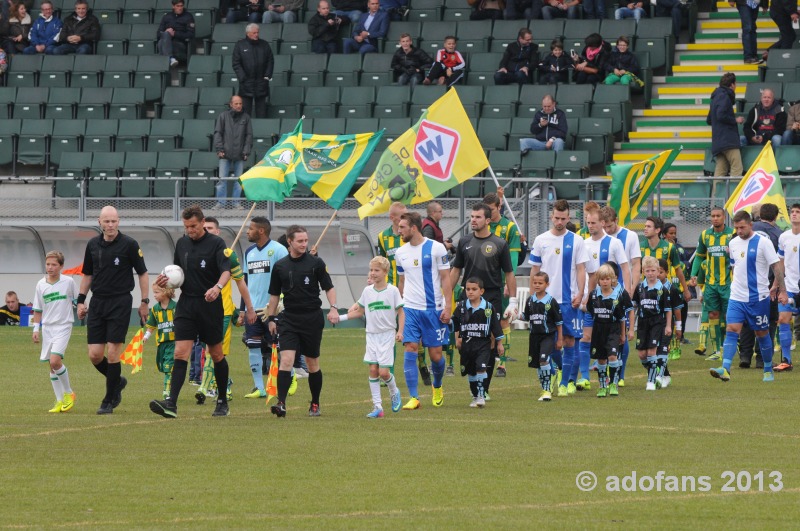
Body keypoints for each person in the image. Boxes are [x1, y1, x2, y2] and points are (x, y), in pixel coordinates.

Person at [149, 206, 237, 419]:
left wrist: (217, 288)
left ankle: (222, 401)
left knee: (216, 355)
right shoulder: (182, 243)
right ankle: (171, 404)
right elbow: (177, 274)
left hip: (209, 306)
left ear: (202, 222)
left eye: (194, 226)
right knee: (181, 353)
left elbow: (226, 271)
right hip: (187, 305)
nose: (190, 230)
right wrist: (165, 282)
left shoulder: (217, 243)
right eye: (186, 226)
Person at [77, 206, 149, 415]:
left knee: (113, 351)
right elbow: (87, 275)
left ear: (119, 222)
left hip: (120, 302)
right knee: (95, 355)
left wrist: (144, 301)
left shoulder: (129, 244)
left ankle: (109, 400)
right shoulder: (92, 244)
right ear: (99, 222)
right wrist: (81, 301)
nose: (110, 225)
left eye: (114, 221)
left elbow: (143, 274)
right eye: (106, 221)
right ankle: (117, 380)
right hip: (98, 302)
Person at [262, 225, 339, 418]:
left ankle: (315, 403)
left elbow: (329, 287)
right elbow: (273, 296)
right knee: (286, 360)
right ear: (290, 242)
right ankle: (281, 404)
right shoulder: (280, 266)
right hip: (289, 319)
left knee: (312, 363)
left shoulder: (316, 263)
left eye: (306, 240)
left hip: (312, 318)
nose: (304, 244)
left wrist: (333, 307)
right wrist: (271, 319)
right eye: (300, 241)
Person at [449, 204, 516, 395]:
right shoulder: (464, 242)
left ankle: (483, 388)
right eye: (472, 216)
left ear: (488, 220)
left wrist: (513, 300)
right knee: (463, 342)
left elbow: (509, 273)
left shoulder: (500, 244)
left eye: (478, 217)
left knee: (491, 341)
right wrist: (445, 296)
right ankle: (474, 378)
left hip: (491, 296)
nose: (473, 220)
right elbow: (456, 271)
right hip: (468, 296)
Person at [711, 210, 784, 383]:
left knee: (762, 333)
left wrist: (780, 289)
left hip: (758, 298)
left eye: (742, 227)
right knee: (732, 330)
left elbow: (776, 267)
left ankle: (767, 368)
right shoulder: (734, 243)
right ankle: (725, 368)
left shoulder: (763, 242)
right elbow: (734, 266)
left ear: (750, 225)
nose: (739, 231)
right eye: (736, 228)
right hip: (737, 297)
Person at [529, 199, 592, 397]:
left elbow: (581, 269)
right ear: (551, 216)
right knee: (552, 341)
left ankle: (566, 382)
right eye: (557, 218)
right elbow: (535, 269)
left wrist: (581, 293)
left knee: (570, 341)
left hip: (569, 299)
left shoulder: (577, 240)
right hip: (547, 301)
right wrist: (533, 296)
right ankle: (559, 370)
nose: (559, 222)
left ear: (569, 218)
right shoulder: (541, 240)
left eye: (563, 218)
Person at [395, 212, 452, 409]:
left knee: (436, 355)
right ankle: (414, 397)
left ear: (413, 228)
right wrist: (399, 307)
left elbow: (446, 278)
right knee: (410, 348)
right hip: (410, 308)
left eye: (402, 227)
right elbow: (401, 281)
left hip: (433, 309)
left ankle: (437, 385)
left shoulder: (436, 248)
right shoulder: (400, 252)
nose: (398, 231)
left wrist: (448, 306)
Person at [197, 217, 257, 402]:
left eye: (210, 228)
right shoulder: (196, 251)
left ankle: (204, 387)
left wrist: (246, 309)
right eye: (203, 227)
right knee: (215, 353)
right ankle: (226, 384)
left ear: (217, 232)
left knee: (211, 350)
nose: (206, 230)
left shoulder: (228, 255)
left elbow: (241, 284)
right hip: (200, 310)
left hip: (222, 311)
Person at [340, 256, 404, 418]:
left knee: (383, 372)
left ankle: (394, 391)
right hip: (371, 336)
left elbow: (401, 312)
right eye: (371, 270)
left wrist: (400, 331)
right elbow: (360, 311)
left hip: (387, 335)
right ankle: (378, 407)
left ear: (385, 272)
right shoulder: (367, 291)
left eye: (376, 270)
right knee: (373, 370)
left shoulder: (393, 290)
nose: (373, 273)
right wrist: (340, 318)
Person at [575, 203, 629, 390]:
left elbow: (624, 268)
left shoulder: (614, 243)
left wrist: (626, 291)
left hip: (611, 300)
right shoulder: (583, 243)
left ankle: (618, 377)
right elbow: (587, 273)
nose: (590, 226)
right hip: (594, 300)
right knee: (586, 337)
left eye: (594, 222)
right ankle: (585, 377)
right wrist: (585, 295)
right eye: (588, 222)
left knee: (617, 338)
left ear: (603, 222)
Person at [242, 216, 289, 398]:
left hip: (272, 309)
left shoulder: (279, 250)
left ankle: (284, 382)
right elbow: (245, 281)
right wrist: (243, 309)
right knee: (253, 346)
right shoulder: (249, 252)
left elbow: (286, 278)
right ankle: (259, 388)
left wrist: (281, 302)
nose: (248, 231)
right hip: (252, 309)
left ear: (261, 231)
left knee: (277, 346)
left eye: (251, 228)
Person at [32, 250, 78, 413]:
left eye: (54, 265)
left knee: (55, 361)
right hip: (48, 328)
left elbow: (76, 300)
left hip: (64, 325)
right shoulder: (40, 284)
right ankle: (59, 401)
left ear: (61, 266)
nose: (50, 268)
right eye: (48, 264)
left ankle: (69, 393)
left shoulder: (68, 282)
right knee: (51, 367)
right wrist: (36, 329)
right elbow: (37, 309)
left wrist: (81, 307)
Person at [484, 189, 522, 379]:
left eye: (491, 209)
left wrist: (509, 281)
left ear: (499, 207)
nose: (488, 213)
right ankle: (486, 359)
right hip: (484, 283)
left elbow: (513, 258)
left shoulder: (510, 228)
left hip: (500, 283)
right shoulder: (482, 226)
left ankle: (503, 364)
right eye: (486, 209)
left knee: (503, 321)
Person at [739, 202, 783, 368]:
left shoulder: (744, 229)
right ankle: (762, 358)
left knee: (746, 320)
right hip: (768, 284)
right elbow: (779, 263)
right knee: (768, 321)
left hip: (745, 283)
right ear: (775, 216)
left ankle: (745, 355)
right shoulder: (779, 234)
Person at [452, 277, 504, 408]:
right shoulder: (462, 307)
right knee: (471, 372)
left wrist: (499, 343)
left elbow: (495, 327)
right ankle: (475, 396)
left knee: (481, 368)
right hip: (467, 345)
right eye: (468, 289)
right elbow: (455, 324)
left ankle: (481, 395)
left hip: (483, 344)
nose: (470, 292)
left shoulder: (488, 307)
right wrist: (457, 338)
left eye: (474, 289)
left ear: (481, 291)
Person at [690, 207, 734, 360]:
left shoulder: (732, 234)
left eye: (718, 216)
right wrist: (693, 275)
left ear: (724, 217)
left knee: (730, 317)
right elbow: (699, 257)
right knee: (713, 315)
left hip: (728, 283)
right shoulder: (705, 235)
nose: (715, 218)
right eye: (713, 216)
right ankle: (717, 351)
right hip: (710, 284)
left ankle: (732, 347)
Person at [587, 264, 633, 397]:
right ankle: (602, 386)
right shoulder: (594, 295)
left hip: (613, 329)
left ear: (612, 279)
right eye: (602, 279)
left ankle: (613, 384)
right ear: (598, 280)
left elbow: (622, 317)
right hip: (598, 329)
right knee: (601, 360)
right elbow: (591, 312)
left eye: (607, 279)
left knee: (612, 356)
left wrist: (623, 334)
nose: (605, 282)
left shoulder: (618, 295)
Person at [630, 256, 671, 391]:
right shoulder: (640, 287)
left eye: (653, 270)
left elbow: (668, 309)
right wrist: (631, 327)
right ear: (643, 271)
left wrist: (669, 326)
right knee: (642, 354)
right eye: (647, 271)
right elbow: (634, 307)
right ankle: (656, 371)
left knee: (651, 351)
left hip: (657, 322)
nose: (650, 273)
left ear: (658, 271)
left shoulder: (663, 289)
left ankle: (651, 381)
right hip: (642, 323)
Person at [521, 272, 562, 401]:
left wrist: (560, 339)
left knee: (544, 360)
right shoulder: (530, 301)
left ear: (547, 284)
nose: (537, 285)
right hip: (534, 337)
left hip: (547, 336)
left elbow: (559, 322)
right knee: (538, 364)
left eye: (540, 283)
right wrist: (514, 315)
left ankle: (546, 390)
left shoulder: (551, 301)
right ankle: (547, 382)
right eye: (535, 283)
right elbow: (526, 317)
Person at [213, 95, 252, 210]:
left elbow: (249, 136)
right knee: (222, 180)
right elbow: (218, 133)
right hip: (224, 154)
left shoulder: (246, 118)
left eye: (240, 103)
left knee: (239, 180)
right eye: (236, 104)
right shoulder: (223, 116)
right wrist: (219, 149)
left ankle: (236, 203)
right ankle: (221, 203)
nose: (239, 106)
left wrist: (246, 151)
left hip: (240, 154)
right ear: (231, 104)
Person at [641, 216, 691, 302]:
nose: (645, 229)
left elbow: (678, 270)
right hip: (646, 292)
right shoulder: (640, 247)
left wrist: (686, 290)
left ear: (657, 230)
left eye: (649, 226)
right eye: (645, 226)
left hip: (665, 291)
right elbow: (637, 270)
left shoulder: (669, 247)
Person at [775, 203, 800, 372]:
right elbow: (780, 263)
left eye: (798, 212)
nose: (795, 214)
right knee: (783, 319)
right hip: (789, 286)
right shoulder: (784, 237)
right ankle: (786, 360)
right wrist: (777, 285)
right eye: (792, 212)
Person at [143, 281, 176, 400]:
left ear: (166, 292)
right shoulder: (155, 309)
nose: (154, 295)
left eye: (157, 292)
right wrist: (146, 336)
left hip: (173, 343)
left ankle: (167, 392)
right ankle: (174, 383)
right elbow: (151, 325)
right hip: (161, 344)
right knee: (163, 366)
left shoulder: (175, 307)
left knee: (169, 367)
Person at [233, 23, 274, 119]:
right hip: (246, 83)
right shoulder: (240, 45)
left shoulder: (264, 44)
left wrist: (267, 76)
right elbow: (236, 63)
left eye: (257, 32)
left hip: (261, 82)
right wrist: (242, 78)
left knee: (262, 112)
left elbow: (270, 61)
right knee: (245, 114)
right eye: (254, 33)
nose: (256, 34)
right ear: (248, 33)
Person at [707, 73, 743, 177]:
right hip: (728, 140)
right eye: (736, 84)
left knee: (720, 171)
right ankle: (733, 193)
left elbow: (709, 120)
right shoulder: (724, 96)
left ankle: (716, 193)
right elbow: (721, 115)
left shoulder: (715, 97)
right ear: (732, 85)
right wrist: (735, 120)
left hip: (718, 141)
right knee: (737, 168)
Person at [156, 0, 195, 68]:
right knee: (165, 35)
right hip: (167, 42)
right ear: (173, 6)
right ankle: (171, 58)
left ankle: (164, 62)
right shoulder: (167, 16)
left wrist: (175, 34)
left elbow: (190, 34)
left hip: (180, 43)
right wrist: (166, 32)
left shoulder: (188, 16)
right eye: (177, 6)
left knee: (161, 42)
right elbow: (158, 33)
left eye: (181, 6)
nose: (180, 8)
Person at [733, 0, 768, 64]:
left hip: (755, 3)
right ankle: (748, 57)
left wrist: (765, 4)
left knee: (752, 28)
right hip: (744, 3)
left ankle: (753, 56)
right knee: (748, 28)